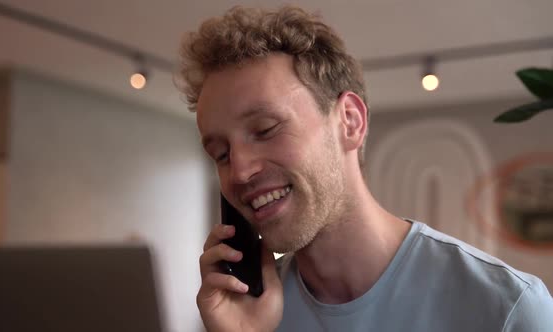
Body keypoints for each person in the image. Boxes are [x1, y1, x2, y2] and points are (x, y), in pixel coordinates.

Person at [176, 5, 553, 332]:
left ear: (350, 122)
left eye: (265, 129)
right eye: (221, 154)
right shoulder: (252, 313)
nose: (239, 171)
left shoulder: (507, 309)